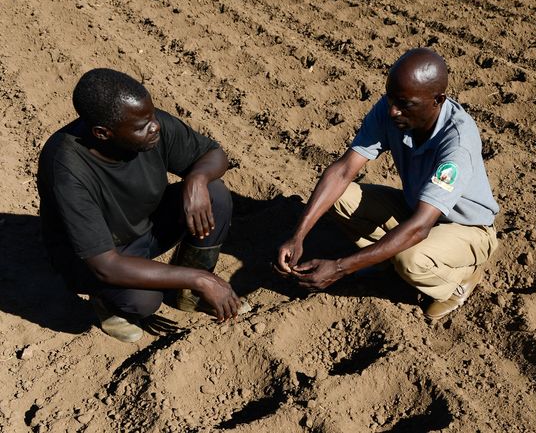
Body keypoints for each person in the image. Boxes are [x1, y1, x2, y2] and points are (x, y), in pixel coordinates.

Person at [276, 48, 499, 320]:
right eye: (391, 98)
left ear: (437, 100)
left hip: (465, 228)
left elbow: (419, 228)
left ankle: (459, 281)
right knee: (340, 196)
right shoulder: (392, 109)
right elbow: (343, 170)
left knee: (411, 259)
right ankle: (385, 262)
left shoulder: (457, 144)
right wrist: (298, 235)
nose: (393, 111)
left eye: (405, 103)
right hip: (417, 209)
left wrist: (340, 268)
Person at [38, 68, 242, 342]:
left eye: (152, 116)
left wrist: (197, 178)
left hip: (144, 227)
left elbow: (214, 154)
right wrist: (200, 278)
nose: (154, 126)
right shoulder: (66, 167)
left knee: (214, 193)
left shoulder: (149, 125)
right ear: (103, 133)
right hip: (99, 257)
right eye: (142, 125)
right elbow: (106, 266)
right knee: (143, 301)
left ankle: (189, 297)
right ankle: (108, 305)